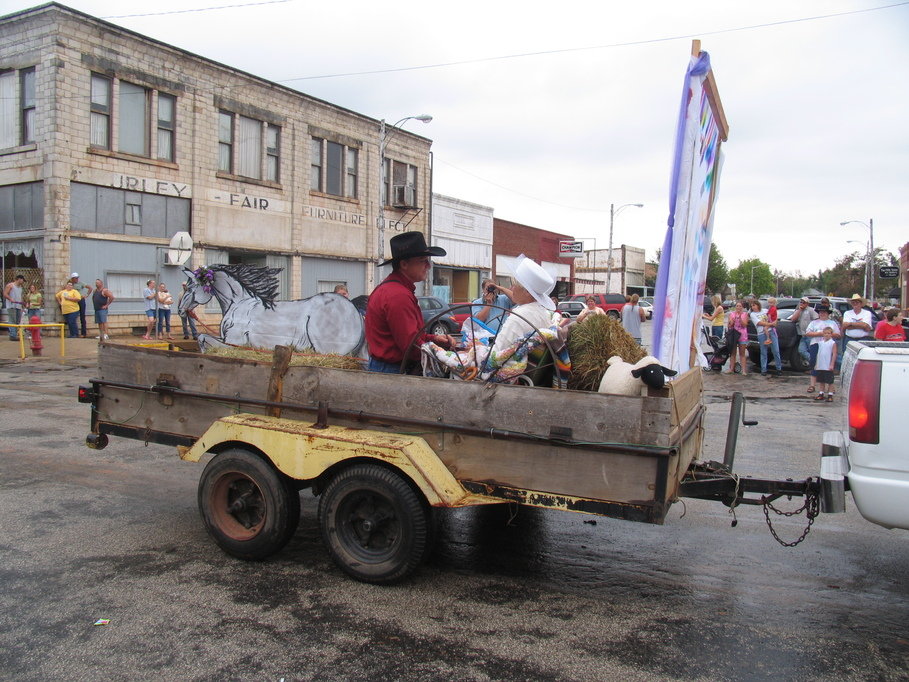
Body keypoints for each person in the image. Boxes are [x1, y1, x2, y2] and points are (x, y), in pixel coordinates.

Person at [365, 232, 455, 373]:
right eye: (422, 260)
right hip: (392, 372)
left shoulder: (392, 289)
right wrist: (444, 355)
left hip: (386, 368)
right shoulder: (398, 296)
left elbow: (412, 337)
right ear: (404, 264)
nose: (428, 266)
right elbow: (412, 347)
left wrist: (435, 338)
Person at [490, 256, 556, 355]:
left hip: (510, 367)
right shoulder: (544, 314)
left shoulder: (518, 316)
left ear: (527, 292)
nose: (511, 288)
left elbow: (496, 353)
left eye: (514, 284)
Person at [804, 306, 841, 393]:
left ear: (828, 313)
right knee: (814, 363)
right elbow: (808, 333)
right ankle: (812, 385)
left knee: (828, 364)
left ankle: (830, 385)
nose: (822, 314)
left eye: (824, 312)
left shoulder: (832, 323)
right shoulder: (814, 322)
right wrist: (819, 333)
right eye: (820, 312)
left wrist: (828, 334)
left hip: (828, 345)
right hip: (816, 344)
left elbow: (838, 335)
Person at [749, 300, 783, 376]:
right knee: (763, 351)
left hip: (771, 331)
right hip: (761, 333)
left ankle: (779, 368)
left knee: (776, 350)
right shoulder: (753, 314)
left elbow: (774, 316)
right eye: (751, 306)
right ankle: (763, 369)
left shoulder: (765, 310)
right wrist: (770, 324)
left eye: (754, 305)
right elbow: (759, 323)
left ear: (758, 305)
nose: (753, 307)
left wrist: (775, 322)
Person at [790, 296, 818, 365]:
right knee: (801, 350)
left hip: (810, 335)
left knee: (812, 351)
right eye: (801, 302)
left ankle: (816, 364)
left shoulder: (811, 310)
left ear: (807, 303)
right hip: (803, 335)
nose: (802, 304)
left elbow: (816, 319)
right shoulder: (798, 311)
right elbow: (793, 319)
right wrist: (799, 310)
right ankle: (816, 362)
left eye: (804, 302)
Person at [812, 326, 838, 403]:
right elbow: (818, 354)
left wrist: (832, 364)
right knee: (821, 380)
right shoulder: (820, 343)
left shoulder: (832, 343)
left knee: (830, 381)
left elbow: (834, 354)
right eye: (825, 333)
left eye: (828, 333)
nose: (827, 335)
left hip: (828, 365)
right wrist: (817, 364)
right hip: (821, 365)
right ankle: (821, 393)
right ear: (823, 334)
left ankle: (830, 395)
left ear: (831, 334)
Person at [726, 300, 749, 374]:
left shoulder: (745, 314)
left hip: (742, 335)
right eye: (737, 306)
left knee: (742, 353)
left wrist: (740, 318)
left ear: (742, 307)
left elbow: (744, 325)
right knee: (732, 353)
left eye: (740, 306)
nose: (738, 307)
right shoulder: (732, 314)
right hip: (733, 335)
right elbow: (729, 325)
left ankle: (744, 370)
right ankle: (731, 369)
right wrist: (732, 321)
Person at [68, 273, 92, 337]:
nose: (77, 279)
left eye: (77, 278)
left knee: (82, 316)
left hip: (80, 300)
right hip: (73, 301)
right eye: (75, 278)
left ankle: (83, 333)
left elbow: (90, 288)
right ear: (72, 279)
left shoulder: (81, 283)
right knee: (72, 316)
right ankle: (74, 333)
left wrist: (86, 295)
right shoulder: (70, 284)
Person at [4, 274, 26, 341]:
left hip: (18, 306)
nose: (22, 282)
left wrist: (21, 306)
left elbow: (20, 297)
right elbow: (5, 294)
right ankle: (12, 335)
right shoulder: (10, 285)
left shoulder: (20, 288)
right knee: (12, 320)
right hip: (11, 306)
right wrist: (10, 299)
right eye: (22, 280)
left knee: (17, 320)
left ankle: (15, 334)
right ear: (19, 279)